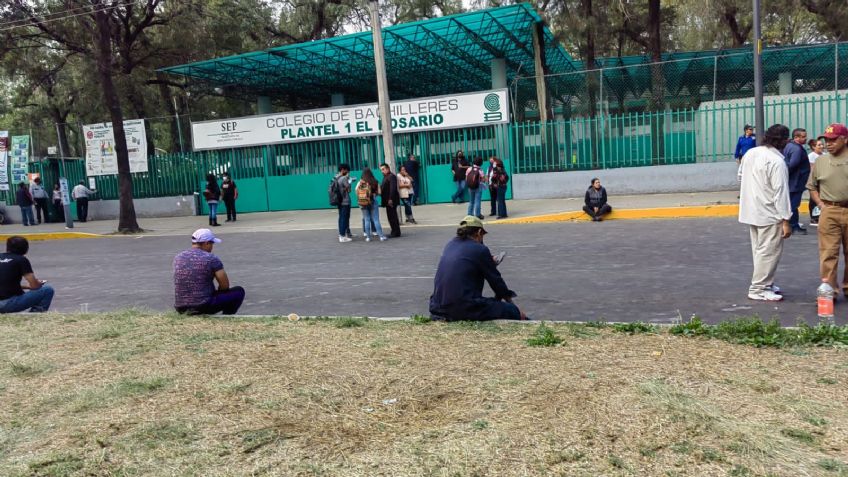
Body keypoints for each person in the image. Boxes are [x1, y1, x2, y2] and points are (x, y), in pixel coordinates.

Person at [429, 216, 527, 321]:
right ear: (479, 232)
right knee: (511, 311)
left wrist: (488, 262)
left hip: (437, 308)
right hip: (462, 308)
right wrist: (512, 305)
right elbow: (496, 282)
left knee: (491, 304)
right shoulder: (480, 249)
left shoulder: (450, 245)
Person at [739, 124, 792, 302]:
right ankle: (759, 288)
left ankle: (765, 283)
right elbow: (780, 192)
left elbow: (740, 176)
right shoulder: (777, 162)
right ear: (784, 141)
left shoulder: (751, 153)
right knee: (768, 252)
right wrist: (786, 220)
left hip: (751, 210)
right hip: (769, 213)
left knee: (759, 251)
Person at [808, 123, 848, 299]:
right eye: (826, 140)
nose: (827, 144)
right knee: (828, 253)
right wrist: (822, 205)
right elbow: (812, 186)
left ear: (844, 139)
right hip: (829, 211)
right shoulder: (821, 161)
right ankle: (829, 290)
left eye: (832, 140)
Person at [173, 228, 245, 315]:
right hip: (203, 306)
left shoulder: (178, 257)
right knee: (239, 291)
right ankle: (227, 316)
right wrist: (218, 293)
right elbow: (225, 285)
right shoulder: (211, 258)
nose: (212, 247)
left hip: (181, 308)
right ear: (206, 243)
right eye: (212, 243)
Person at [0, 236, 54, 313]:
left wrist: (27, 287)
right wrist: (37, 283)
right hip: (7, 304)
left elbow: (5, 283)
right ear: (26, 249)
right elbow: (34, 285)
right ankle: (36, 314)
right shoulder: (21, 259)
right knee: (47, 290)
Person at [783, 128, 810, 235]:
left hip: (793, 181)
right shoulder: (797, 149)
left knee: (790, 204)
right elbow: (792, 165)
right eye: (803, 136)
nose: (805, 138)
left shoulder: (790, 146)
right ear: (796, 137)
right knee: (793, 205)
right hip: (795, 182)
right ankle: (794, 226)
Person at [355, 168, 387, 242]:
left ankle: (368, 237)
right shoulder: (375, 181)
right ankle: (381, 236)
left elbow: (356, 191)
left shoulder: (360, 182)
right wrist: (374, 194)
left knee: (366, 219)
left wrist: (362, 197)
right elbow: (379, 192)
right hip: (373, 201)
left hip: (363, 202)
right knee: (376, 219)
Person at [335, 163, 355, 243]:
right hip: (345, 201)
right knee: (344, 218)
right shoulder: (343, 178)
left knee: (341, 218)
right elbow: (349, 190)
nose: (348, 172)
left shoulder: (336, 177)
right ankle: (343, 236)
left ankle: (341, 234)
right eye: (347, 170)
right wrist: (349, 181)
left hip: (339, 201)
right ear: (343, 170)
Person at [380, 163, 401, 237]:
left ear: (388, 168)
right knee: (390, 216)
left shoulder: (391, 176)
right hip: (387, 200)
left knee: (392, 216)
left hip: (391, 200)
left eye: (383, 169)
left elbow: (393, 189)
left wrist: (390, 199)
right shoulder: (386, 177)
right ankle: (394, 231)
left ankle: (396, 232)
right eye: (381, 170)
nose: (382, 171)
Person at [808, 138, 825, 226]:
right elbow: (812, 169)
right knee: (814, 199)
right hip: (816, 180)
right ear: (813, 147)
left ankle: (821, 216)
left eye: (822, 144)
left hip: (823, 180)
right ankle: (814, 218)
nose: (822, 146)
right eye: (819, 145)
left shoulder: (825, 155)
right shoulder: (812, 156)